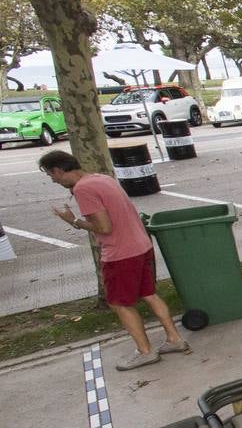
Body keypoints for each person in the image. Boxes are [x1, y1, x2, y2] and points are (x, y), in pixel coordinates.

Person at [39, 150, 189, 371]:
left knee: (119, 303)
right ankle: (175, 339)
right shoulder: (102, 178)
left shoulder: (83, 189)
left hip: (121, 254)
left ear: (59, 170)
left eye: (51, 175)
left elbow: (103, 227)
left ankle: (145, 352)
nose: (52, 180)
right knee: (148, 293)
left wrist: (74, 221)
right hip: (140, 245)